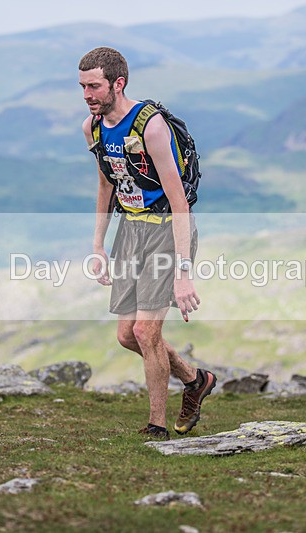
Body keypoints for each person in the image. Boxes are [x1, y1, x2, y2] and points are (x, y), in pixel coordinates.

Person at [79, 47, 216, 440]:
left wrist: (183, 271)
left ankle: (157, 427)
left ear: (117, 84)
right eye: (82, 87)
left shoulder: (150, 127)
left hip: (166, 229)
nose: (87, 95)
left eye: (94, 86)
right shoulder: (92, 127)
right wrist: (98, 245)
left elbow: (178, 201)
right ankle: (195, 380)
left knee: (145, 332)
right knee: (127, 335)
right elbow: (107, 182)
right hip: (130, 231)